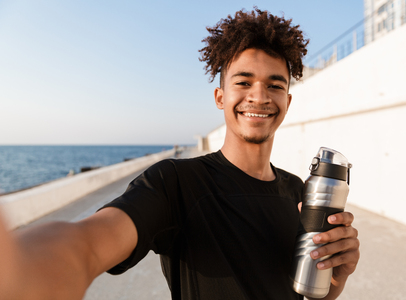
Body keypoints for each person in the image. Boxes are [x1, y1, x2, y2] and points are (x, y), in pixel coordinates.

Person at [0, 8, 359, 300]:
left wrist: (334, 282)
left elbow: (305, 291)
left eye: (274, 85)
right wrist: (27, 269)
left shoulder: (299, 191)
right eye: (244, 82)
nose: (260, 96)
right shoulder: (176, 182)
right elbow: (89, 244)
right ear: (220, 97)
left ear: (287, 101)